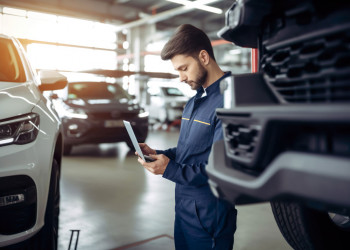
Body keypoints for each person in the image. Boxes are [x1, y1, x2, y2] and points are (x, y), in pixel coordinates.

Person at [137, 24, 237, 250]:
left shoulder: (229, 103)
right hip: (183, 208)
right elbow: (189, 151)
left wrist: (168, 169)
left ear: (203, 57)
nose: (181, 78)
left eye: (183, 68)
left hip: (210, 213)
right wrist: (158, 154)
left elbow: (221, 169)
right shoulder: (193, 102)